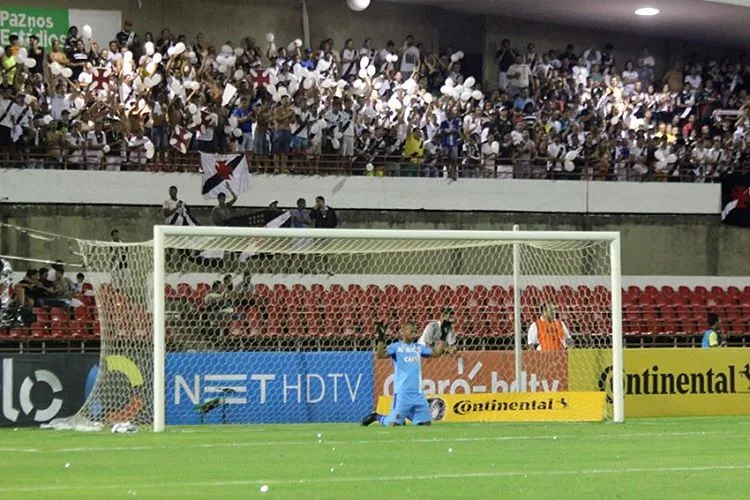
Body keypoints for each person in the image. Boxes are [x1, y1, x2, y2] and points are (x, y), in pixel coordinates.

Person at [361, 320, 445, 427]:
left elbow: (437, 353)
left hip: (418, 394)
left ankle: (404, 415)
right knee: (393, 424)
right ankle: (376, 416)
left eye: (415, 332)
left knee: (425, 424)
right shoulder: (396, 347)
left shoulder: (418, 348)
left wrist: (444, 336)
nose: (414, 334)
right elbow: (380, 355)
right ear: (402, 332)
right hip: (402, 393)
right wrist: (381, 337)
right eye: (411, 332)